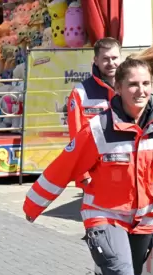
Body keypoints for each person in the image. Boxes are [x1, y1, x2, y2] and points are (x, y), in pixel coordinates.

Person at [23, 44, 153, 275]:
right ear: (117, 88)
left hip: (144, 219)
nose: (140, 90)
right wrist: (33, 205)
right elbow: (64, 166)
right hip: (104, 216)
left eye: (145, 84)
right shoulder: (98, 129)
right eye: (132, 85)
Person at [66, 37, 121, 188]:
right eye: (105, 59)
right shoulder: (80, 93)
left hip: (127, 169)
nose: (111, 63)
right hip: (95, 173)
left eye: (115, 58)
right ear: (96, 60)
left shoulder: (130, 88)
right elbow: (75, 137)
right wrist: (82, 174)